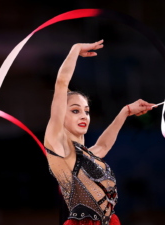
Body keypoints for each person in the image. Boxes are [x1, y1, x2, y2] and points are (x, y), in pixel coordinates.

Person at [44, 40, 155, 225]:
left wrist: (126, 111)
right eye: (75, 110)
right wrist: (75, 49)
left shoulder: (90, 157)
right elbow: (62, 83)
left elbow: (103, 145)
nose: (84, 116)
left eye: (86, 111)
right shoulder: (59, 149)